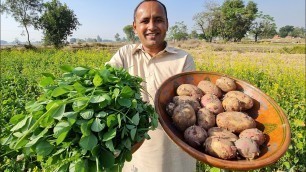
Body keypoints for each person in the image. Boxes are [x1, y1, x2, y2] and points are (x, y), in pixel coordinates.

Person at [107, 0, 196, 171]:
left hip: (176, 154)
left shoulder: (183, 58)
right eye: (145, 21)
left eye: (158, 20)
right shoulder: (125, 55)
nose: (152, 26)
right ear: (135, 27)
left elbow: (191, 105)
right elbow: (104, 82)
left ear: (167, 24)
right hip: (137, 155)